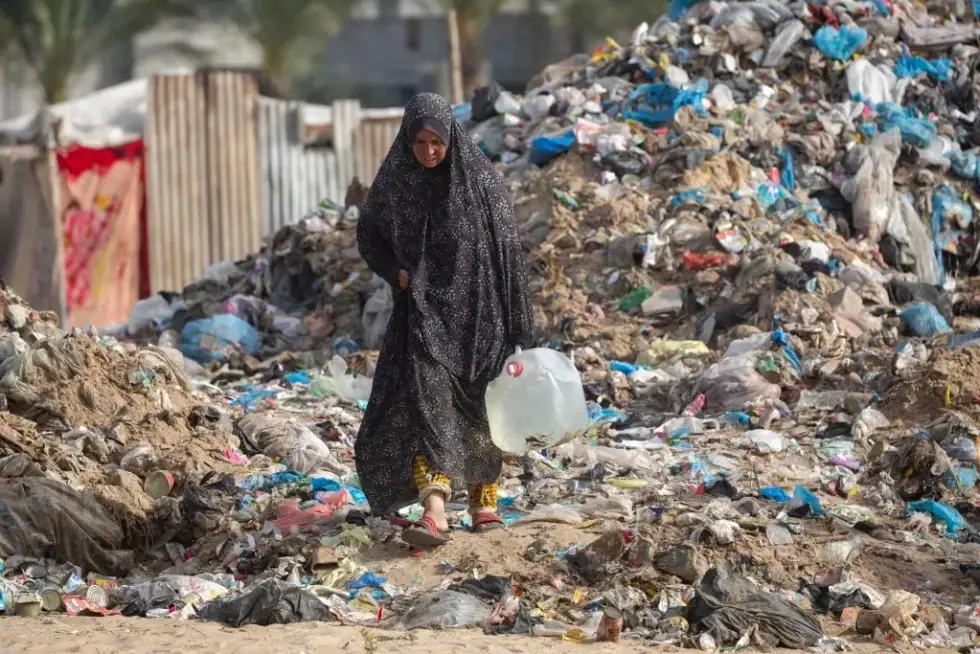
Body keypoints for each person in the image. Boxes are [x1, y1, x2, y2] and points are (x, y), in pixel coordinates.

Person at [354, 93, 535, 546]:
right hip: (424, 317)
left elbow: (509, 255)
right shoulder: (397, 181)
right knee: (427, 407)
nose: (429, 151)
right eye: (420, 142)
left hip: (482, 320)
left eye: (437, 141)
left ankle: (483, 503)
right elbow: (368, 232)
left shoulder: (481, 184)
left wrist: (521, 327)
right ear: (407, 140)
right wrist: (393, 271)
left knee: (479, 412)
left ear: (451, 138)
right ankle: (434, 510)